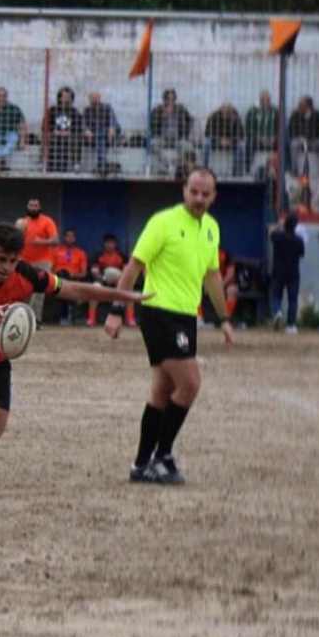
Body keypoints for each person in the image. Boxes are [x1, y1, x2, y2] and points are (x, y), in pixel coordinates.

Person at [0, 223, 152, 508]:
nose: (7, 267)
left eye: (13, 260)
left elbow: (72, 289)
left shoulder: (26, 274)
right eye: (1, 259)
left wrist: (122, 296)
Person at [104, 167, 235, 486]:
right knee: (190, 383)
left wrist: (224, 318)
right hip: (158, 311)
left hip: (186, 316)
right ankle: (162, 457)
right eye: (194, 192)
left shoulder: (212, 229)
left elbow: (212, 276)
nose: (199, 198)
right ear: (184, 190)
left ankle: (140, 465)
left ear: (214, 196)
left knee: (162, 392)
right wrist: (117, 309)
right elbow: (134, 266)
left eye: (206, 194)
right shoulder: (163, 222)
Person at [16, 198, 58, 324]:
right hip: (24, 259)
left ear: (39, 208)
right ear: (27, 207)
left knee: (40, 290)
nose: (33, 208)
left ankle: (36, 319)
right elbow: (15, 240)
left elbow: (55, 240)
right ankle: (22, 319)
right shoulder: (22, 222)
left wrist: (41, 241)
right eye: (31, 205)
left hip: (43, 261)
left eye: (36, 206)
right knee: (23, 289)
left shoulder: (47, 221)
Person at [269, 212, 305, 334]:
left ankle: (277, 312)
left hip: (278, 271)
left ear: (285, 224)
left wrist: (279, 225)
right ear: (295, 226)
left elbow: (270, 233)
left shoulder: (278, 236)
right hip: (293, 273)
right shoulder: (299, 240)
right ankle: (291, 325)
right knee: (292, 299)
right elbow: (301, 254)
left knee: (276, 296)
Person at [87, 233, 128, 327]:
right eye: (108, 243)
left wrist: (118, 280)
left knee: (128, 291)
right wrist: (104, 279)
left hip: (119, 282)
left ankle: (130, 318)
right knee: (95, 288)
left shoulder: (122, 255)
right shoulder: (98, 255)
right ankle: (91, 318)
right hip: (102, 281)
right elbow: (95, 272)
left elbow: (126, 272)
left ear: (115, 244)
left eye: (112, 243)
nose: (110, 245)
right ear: (104, 244)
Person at [52, 229, 88, 324]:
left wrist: (72, 275)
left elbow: (83, 273)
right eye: (68, 236)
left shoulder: (80, 253)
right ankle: (65, 316)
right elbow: (51, 270)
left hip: (74, 280)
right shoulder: (56, 251)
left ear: (75, 239)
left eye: (72, 236)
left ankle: (68, 315)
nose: (70, 238)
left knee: (66, 282)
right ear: (64, 238)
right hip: (58, 279)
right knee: (61, 278)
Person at [44, 86, 83, 172]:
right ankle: (46, 164)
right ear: (59, 98)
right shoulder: (52, 110)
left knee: (74, 141)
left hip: (68, 138)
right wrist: (55, 131)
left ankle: (76, 164)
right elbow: (45, 125)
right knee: (53, 143)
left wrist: (69, 132)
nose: (66, 99)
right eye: (64, 96)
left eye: (68, 97)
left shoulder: (74, 112)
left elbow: (79, 126)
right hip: (55, 137)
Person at [82, 91, 121, 173]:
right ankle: (102, 164)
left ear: (100, 98)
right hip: (97, 135)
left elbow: (112, 119)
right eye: (92, 98)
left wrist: (111, 127)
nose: (95, 100)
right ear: (89, 100)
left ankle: (101, 164)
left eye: (96, 98)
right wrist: (86, 130)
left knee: (102, 133)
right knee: (100, 136)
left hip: (110, 133)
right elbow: (83, 123)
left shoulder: (107, 107)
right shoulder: (87, 110)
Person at [203, 103, 246, 177]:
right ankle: (205, 169)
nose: (226, 113)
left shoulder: (236, 118)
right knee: (206, 144)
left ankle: (237, 171)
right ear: (220, 110)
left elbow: (241, 134)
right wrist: (219, 140)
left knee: (240, 147)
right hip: (216, 140)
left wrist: (231, 141)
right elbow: (207, 132)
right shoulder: (213, 117)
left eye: (228, 111)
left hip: (231, 142)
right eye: (224, 111)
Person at [244, 90, 278, 171]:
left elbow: (279, 127)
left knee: (282, 143)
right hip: (257, 139)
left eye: (267, 99)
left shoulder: (275, 111)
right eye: (263, 99)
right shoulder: (252, 111)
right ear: (260, 100)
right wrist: (258, 137)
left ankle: (280, 168)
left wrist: (274, 137)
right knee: (249, 143)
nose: (265, 101)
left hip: (273, 139)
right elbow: (248, 128)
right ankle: (248, 168)